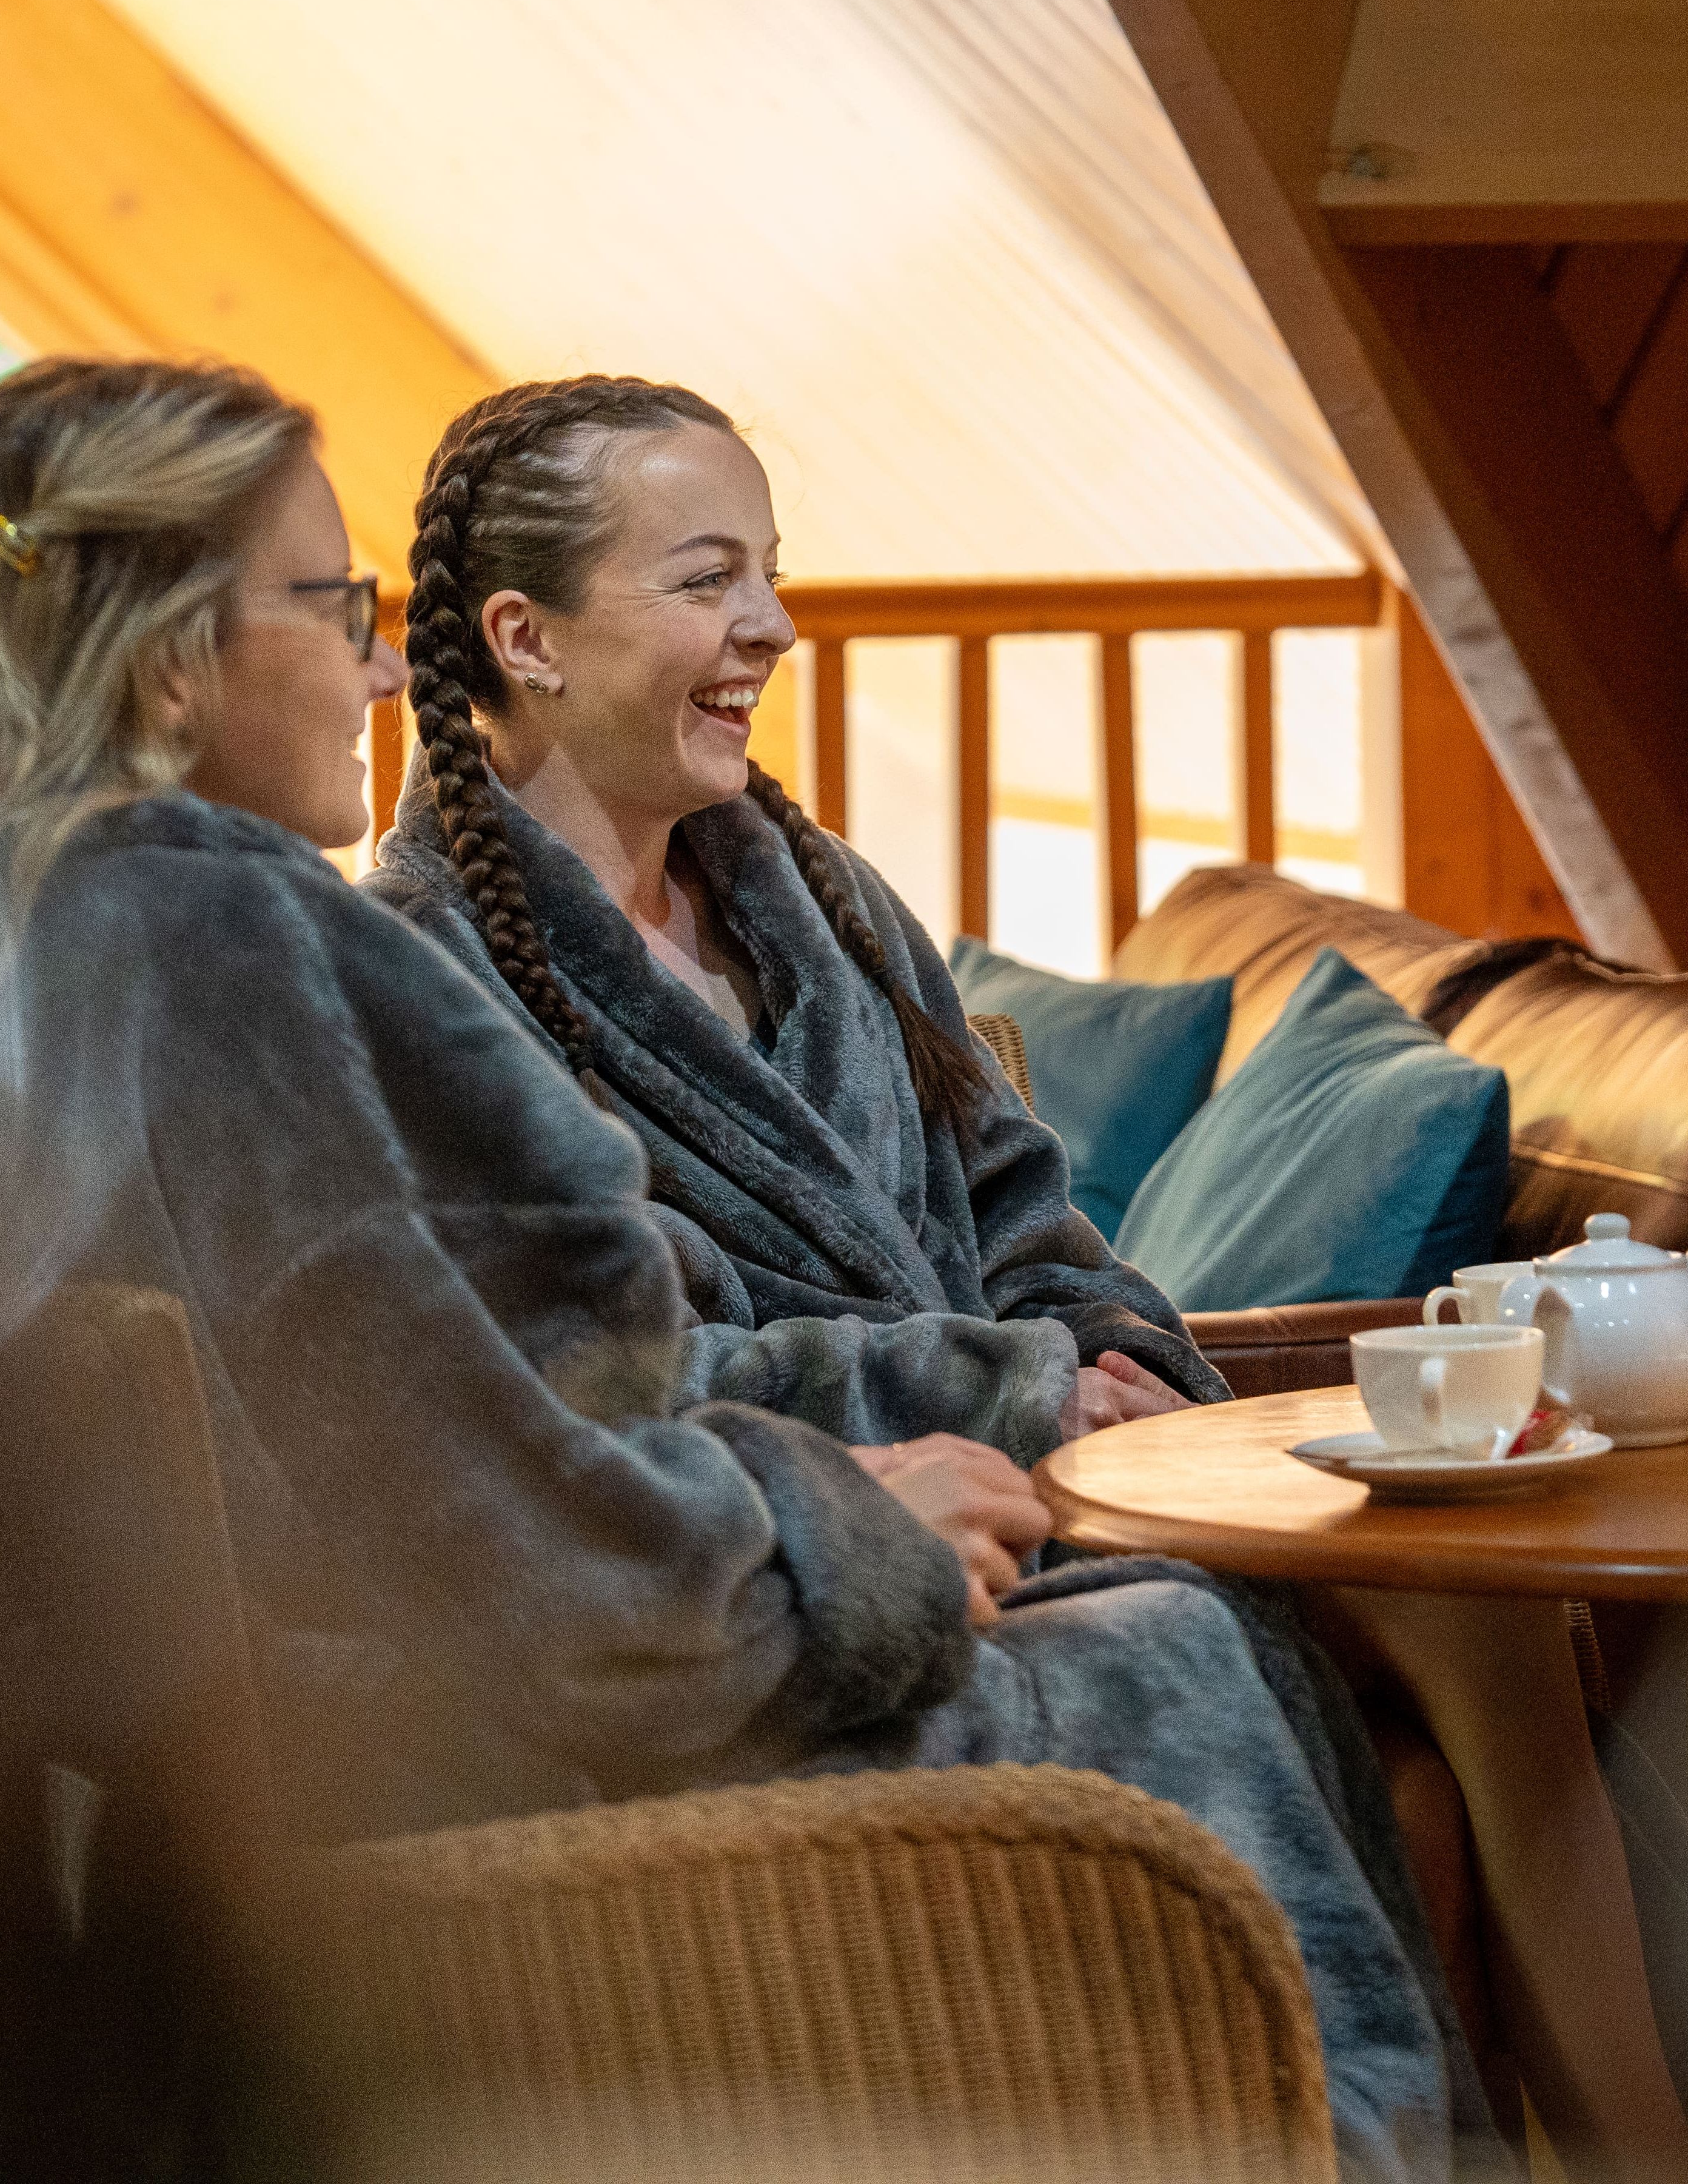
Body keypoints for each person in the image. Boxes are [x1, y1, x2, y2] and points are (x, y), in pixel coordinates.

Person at [0, 358, 1464, 2183]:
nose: (385, 668)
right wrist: (854, 1532)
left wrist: (909, 1451)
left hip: (237, 1785)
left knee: (1216, 1621)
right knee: (1188, 1645)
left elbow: (446, 1433)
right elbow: (511, 1524)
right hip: (439, 1800)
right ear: (171, 653)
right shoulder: (230, 937)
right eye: (337, 613)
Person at [363, 376, 1212, 1462]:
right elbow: (584, 1377)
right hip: (769, 1573)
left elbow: (1022, 1217)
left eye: (770, 575)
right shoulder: (412, 977)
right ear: (528, 640)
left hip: (1043, 1506)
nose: (774, 627)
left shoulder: (834, 906)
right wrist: (1001, 1398)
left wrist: (1122, 1374)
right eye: (709, 579)